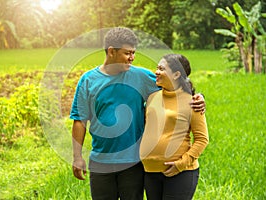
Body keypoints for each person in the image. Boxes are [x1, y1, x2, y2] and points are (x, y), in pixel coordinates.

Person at [70, 27, 206, 200]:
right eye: (128, 53)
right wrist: (77, 157)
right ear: (111, 51)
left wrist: (198, 98)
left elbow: (176, 87)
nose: (132, 58)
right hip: (100, 162)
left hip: (133, 162)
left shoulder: (141, 77)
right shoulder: (88, 80)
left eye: (134, 53)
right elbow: (79, 121)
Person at [140, 53, 209, 200]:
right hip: (150, 171)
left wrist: (181, 164)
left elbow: (202, 139)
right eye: (157, 68)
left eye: (161, 69)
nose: (156, 72)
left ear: (177, 74)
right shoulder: (152, 98)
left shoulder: (192, 102)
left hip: (180, 173)